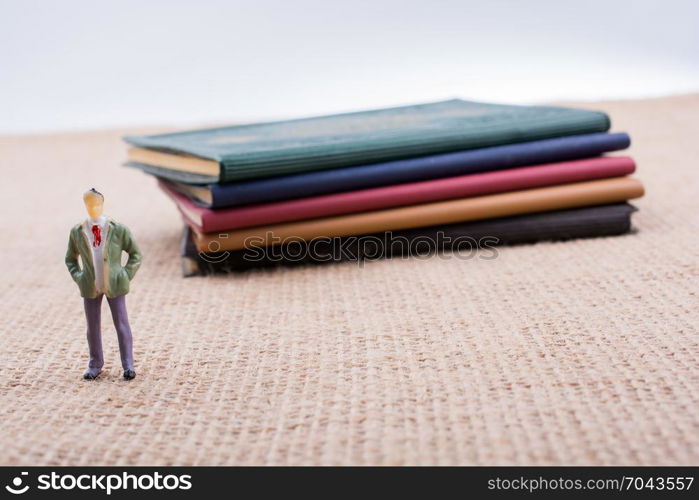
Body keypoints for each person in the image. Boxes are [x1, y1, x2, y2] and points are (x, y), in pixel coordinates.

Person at [65, 188, 142, 380]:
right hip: (90, 285)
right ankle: (95, 363)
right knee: (92, 326)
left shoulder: (118, 229)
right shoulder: (78, 231)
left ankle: (128, 364)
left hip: (114, 284)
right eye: (89, 205)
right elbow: (70, 259)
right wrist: (79, 277)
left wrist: (125, 274)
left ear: (102, 204)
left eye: (96, 204)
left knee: (121, 324)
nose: (93, 208)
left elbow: (135, 254)